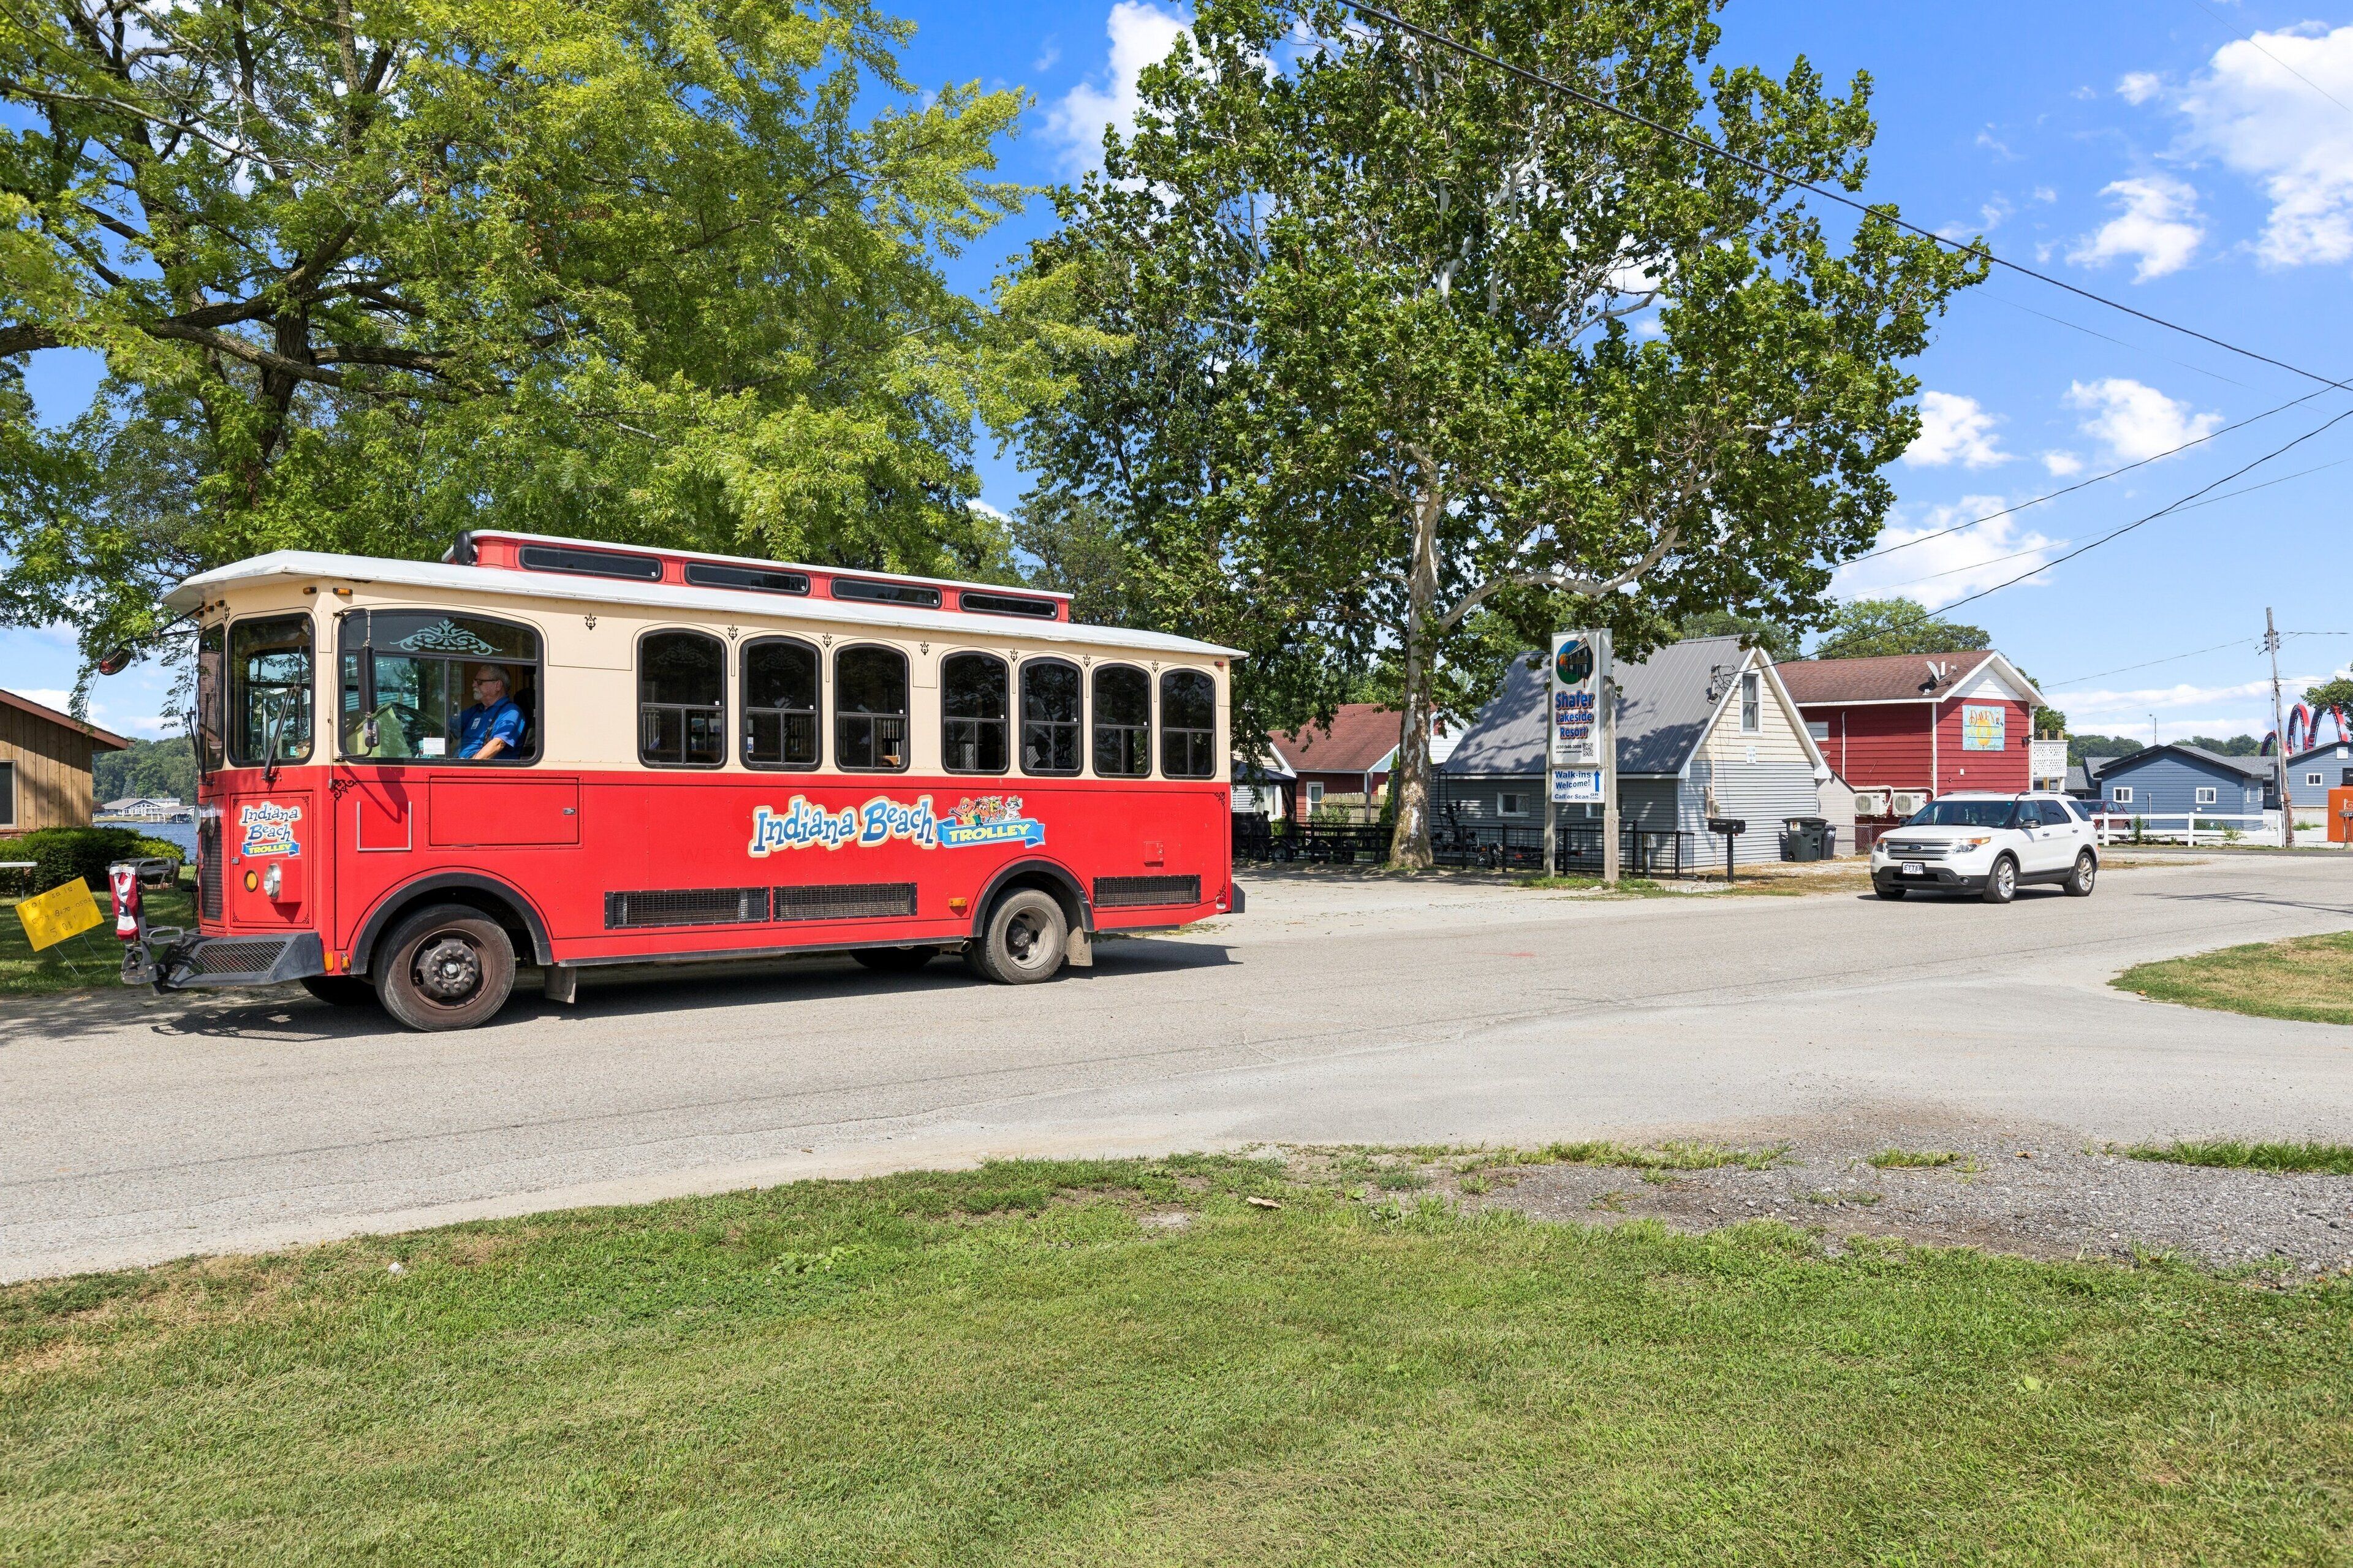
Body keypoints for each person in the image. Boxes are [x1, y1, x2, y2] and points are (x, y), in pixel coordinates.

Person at [458, 665, 525, 760]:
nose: (474, 685)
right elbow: (451, 728)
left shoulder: (511, 712)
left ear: (497, 686)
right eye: (474, 681)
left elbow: (497, 744)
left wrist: (469, 766)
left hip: (481, 768)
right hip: (461, 762)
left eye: (479, 682)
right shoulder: (476, 710)